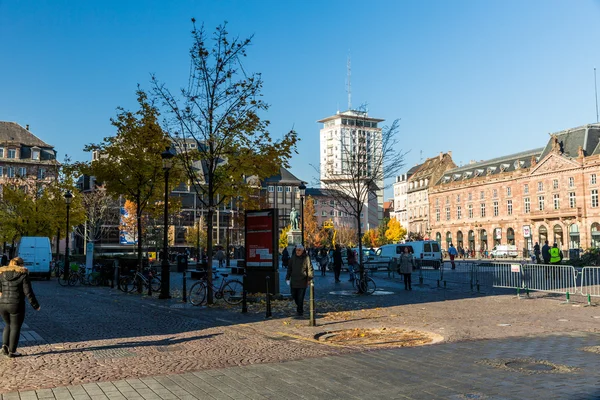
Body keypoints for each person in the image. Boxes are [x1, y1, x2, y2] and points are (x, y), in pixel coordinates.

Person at [0, 257, 40, 358]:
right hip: (16, 304)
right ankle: (12, 351)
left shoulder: (2, 274)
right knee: (15, 327)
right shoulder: (23, 274)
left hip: (3, 304)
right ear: (21, 265)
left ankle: (4, 346)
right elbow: (28, 292)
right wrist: (35, 305)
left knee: (8, 324)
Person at [285, 244, 313, 316]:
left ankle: (300, 310)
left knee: (300, 297)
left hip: (302, 281)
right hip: (294, 280)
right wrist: (287, 278)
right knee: (293, 295)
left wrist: (309, 279)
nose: (298, 252)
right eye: (297, 250)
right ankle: (299, 307)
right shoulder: (293, 257)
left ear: (302, 251)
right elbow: (289, 268)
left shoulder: (306, 258)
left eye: (299, 250)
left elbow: (310, 268)